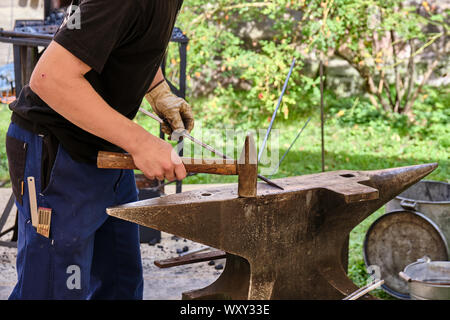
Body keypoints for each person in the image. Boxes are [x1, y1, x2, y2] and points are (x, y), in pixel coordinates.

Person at [5, 0, 194, 299]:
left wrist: (158, 90)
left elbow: (123, 40)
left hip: (108, 154)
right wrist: (141, 142)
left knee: (120, 286)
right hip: (57, 154)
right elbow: (49, 79)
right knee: (55, 291)